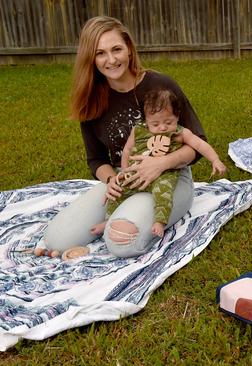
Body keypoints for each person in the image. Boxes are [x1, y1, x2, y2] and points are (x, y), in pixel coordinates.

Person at [43, 16, 211, 258]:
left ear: (129, 50)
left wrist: (160, 163)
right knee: (57, 240)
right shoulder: (91, 99)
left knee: (121, 241)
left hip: (170, 179)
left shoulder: (160, 85)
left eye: (116, 49)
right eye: (100, 53)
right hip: (124, 179)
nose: (111, 60)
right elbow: (96, 160)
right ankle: (122, 212)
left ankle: (128, 219)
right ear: (91, 58)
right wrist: (111, 180)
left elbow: (197, 142)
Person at [90, 88, 226, 238]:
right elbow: (127, 150)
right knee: (117, 192)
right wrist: (124, 171)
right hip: (135, 173)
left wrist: (215, 160)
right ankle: (108, 220)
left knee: (164, 193)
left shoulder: (179, 133)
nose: (162, 127)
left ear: (177, 116)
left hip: (164, 174)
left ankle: (159, 221)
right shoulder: (138, 130)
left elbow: (200, 145)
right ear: (146, 120)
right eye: (155, 124)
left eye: (168, 122)